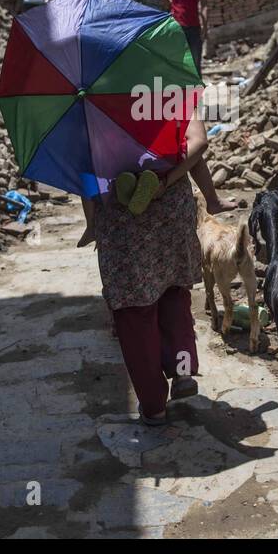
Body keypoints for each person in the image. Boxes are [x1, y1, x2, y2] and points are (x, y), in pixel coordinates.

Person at [85, 114, 209, 425]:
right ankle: (182, 373)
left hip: (121, 220)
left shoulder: (88, 108)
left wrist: (91, 225)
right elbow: (198, 143)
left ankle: (154, 406)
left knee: (134, 312)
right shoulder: (165, 88)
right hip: (170, 212)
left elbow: (83, 175)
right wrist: (167, 181)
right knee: (173, 292)